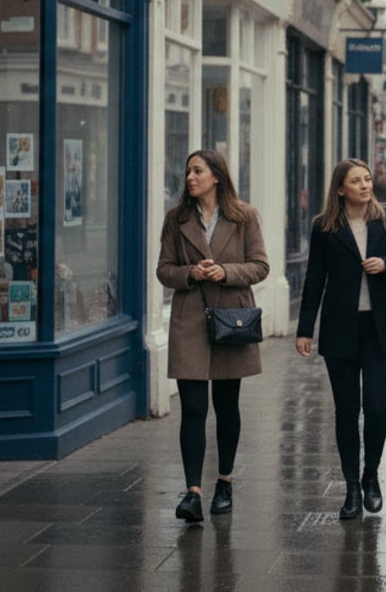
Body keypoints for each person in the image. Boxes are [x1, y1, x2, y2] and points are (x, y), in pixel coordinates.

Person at [296, 159, 386, 520]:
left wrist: (385, 264)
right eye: (356, 181)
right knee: (347, 411)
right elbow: (315, 278)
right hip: (340, 329)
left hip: (380, 329)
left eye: (367, 179)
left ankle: (371, 476)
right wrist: (305, 329)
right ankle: (351, 487)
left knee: (376, 407)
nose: (365, 186)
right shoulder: (324, 227)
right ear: (340, 189)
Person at [155, 149, 270, 524]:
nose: (190, 177)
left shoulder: (244, 216)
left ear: (216, 176)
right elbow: (164, 270)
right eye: (188, 171)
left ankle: (224, 481)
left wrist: (225, 272)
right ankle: (193, 493)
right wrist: (191, 273)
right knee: (192, 407)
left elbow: (260, 266)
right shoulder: (176, 219)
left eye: (198, 171)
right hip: (189, 318)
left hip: (230, 319)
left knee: (226, 404)